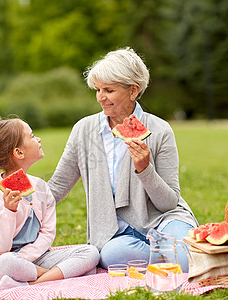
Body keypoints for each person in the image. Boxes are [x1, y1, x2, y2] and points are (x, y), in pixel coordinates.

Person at [48, 47, 198, 272]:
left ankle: (175, 254)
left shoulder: (160, 130)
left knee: (182, 258)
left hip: (164, 220)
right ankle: (173, 256)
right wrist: (18, 207)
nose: (100, 97)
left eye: (109, 90)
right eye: (97, 89)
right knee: (112, 256)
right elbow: (58, 185)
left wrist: (145, 169)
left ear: (133, 91)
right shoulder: (84, 130)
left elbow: (168, 203)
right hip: (116, 231)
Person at [0, 118, 100, 290]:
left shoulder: (41, 188)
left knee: (91, 253)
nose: (39, 139)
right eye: (32, 136)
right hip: (3, 261)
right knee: (6, 262)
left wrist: (25, 258)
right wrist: (9, 211)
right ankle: (58, 274)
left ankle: (30, 283)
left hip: (35, 258)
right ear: (19, 153)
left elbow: (48, 233)